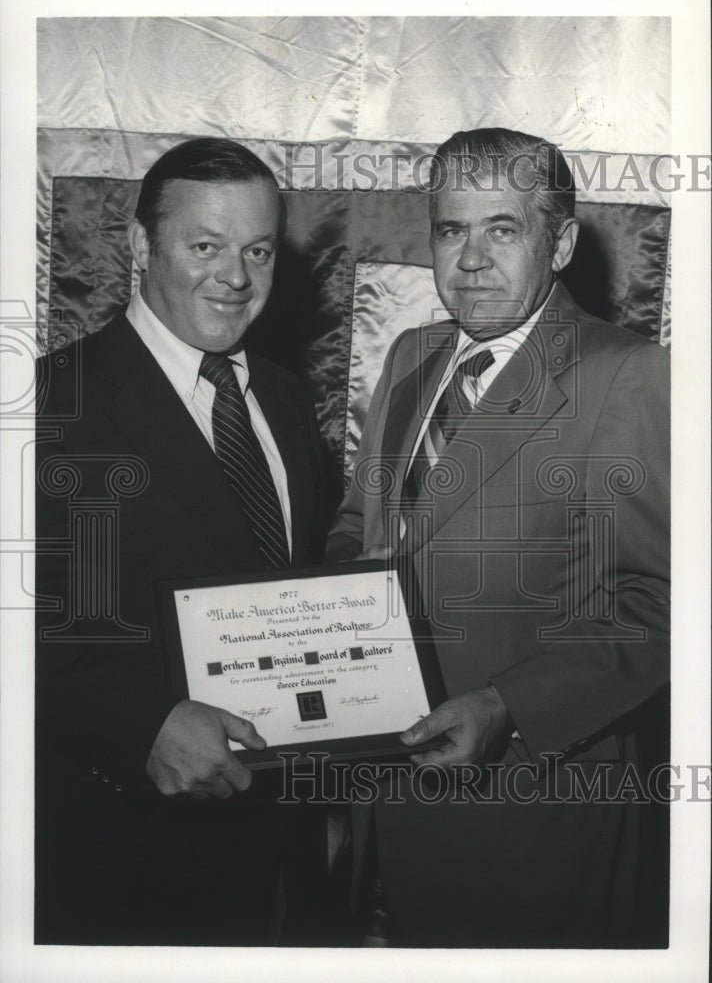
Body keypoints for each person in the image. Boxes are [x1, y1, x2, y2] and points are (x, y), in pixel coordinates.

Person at [326, 127, 670, 947]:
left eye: (502, 229)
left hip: (532, 817)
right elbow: (355, 529)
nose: (471, 258)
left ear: (561, 244)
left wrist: (508, 710)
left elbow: (657, 606)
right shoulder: (412, 353)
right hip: (386, 797)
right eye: (452, 229)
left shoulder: (626, 373)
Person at [35, 137, 333, 945]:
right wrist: (143, 724)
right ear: (140, 246)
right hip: (119, 858)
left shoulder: (285, 396)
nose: (235, 277)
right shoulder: (48, 402)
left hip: (280, 845)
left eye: (258, 250)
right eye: (205, 246)